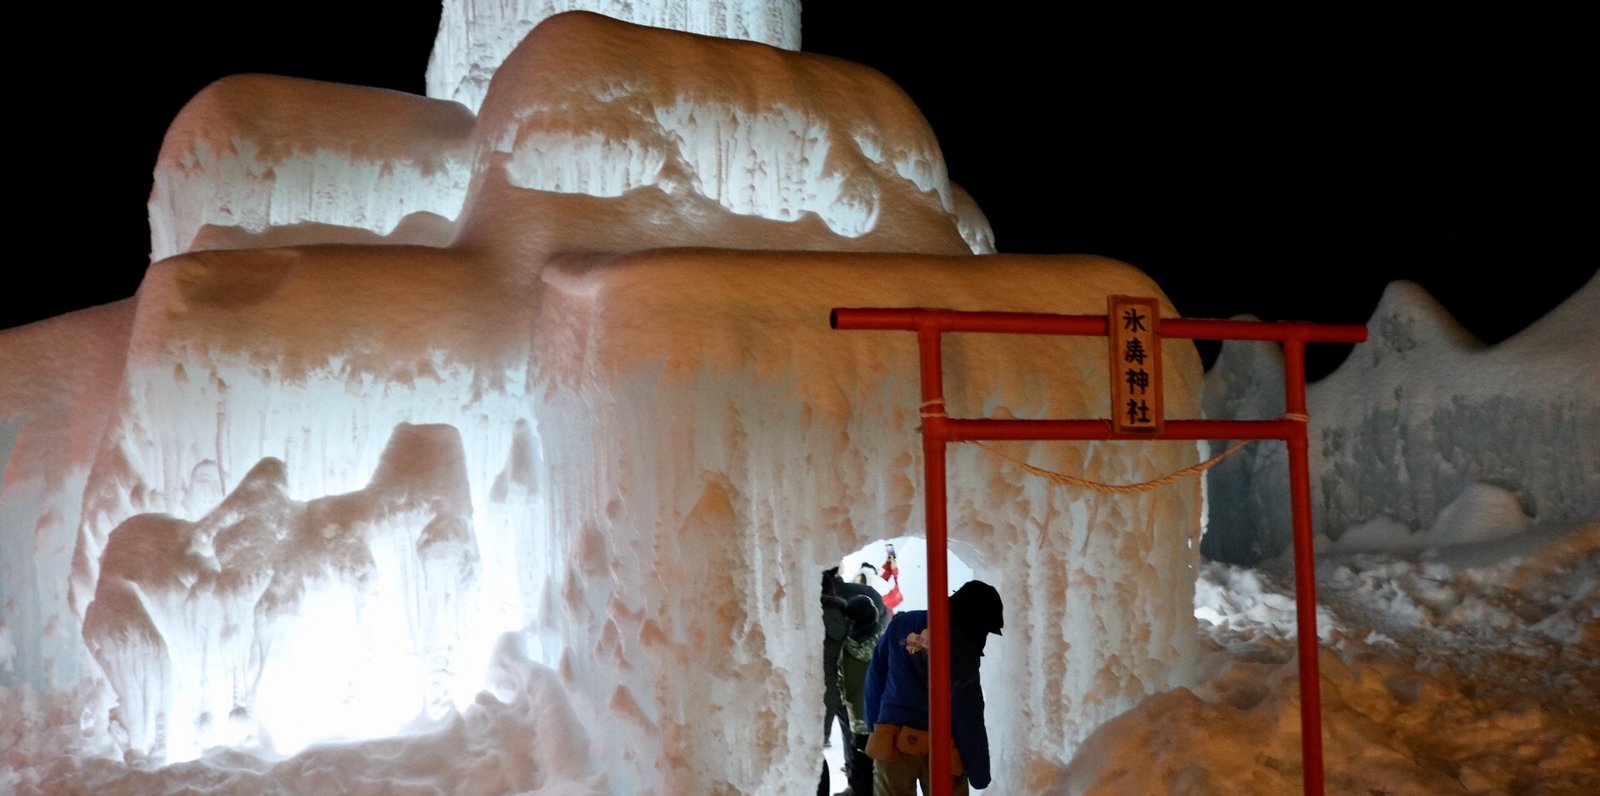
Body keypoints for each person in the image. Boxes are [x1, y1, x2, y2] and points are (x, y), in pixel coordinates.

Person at [863, 580, 1004, 795]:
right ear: (977, 618)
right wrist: (979, 772)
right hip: (941, 749)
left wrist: (875, 725)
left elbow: (876, 675)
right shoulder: (963, 647)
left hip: (891, 741)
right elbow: (966, 711)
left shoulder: (902, 623)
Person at [838, 594, 885, 795]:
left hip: (858, 723)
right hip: (885, 721)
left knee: (862, 773)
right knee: (886, 777)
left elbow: (842, 686)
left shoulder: (845, 649)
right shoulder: (885, 643)